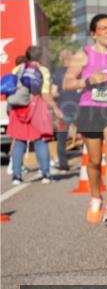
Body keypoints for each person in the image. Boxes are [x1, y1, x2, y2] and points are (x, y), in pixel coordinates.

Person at [63, 14, 107, 225]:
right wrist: (88, 80)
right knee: (93, 161)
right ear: (93, 33)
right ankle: (96, 197)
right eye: (103, 28)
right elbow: (67, 83)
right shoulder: (82, 55)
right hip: (91, 110)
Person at [8, 46, 58, 185]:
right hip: (37, 108)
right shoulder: (43, 71)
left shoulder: (17, 69)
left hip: (18, 108)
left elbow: (11, 89)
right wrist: (55, 108)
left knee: (19, 141)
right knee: (40, 141)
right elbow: (45, 93)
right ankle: (45, 174)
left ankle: (16, 176)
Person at [52, 48, 82, 172]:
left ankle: (64, 165)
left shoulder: (57, 73)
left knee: (62, 137)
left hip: (64, 108)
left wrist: (60, 96)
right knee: (88, 135)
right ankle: (94, 159)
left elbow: (53, 93)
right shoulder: (78, 72)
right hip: (79, 106)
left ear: (62, 59)